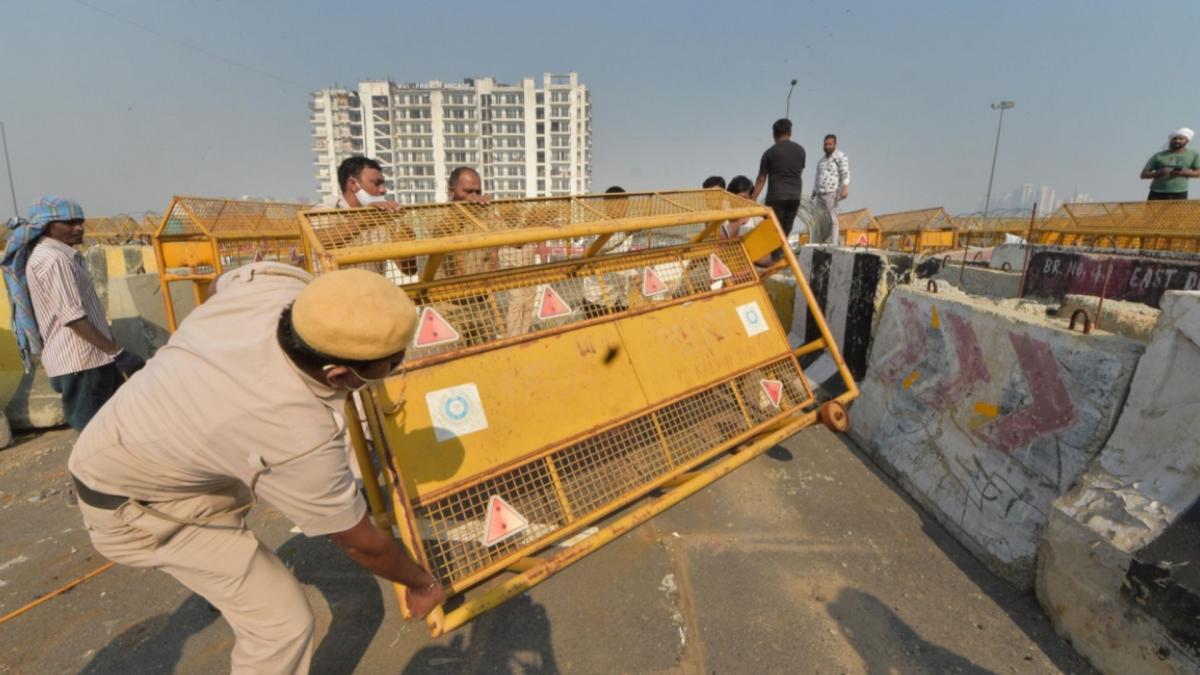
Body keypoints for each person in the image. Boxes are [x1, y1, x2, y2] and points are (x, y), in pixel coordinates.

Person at [68, 263, 446, 674]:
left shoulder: (273, 290)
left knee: (243, 479)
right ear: (338, 374)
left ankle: (223, 579)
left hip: (122, 442)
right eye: (391, 365)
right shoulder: (297, 433)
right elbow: (360, 543)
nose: (397, 368)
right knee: (282, 626)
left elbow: (219, 283)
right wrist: (421, 583)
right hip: (139, 509)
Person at [0, 197, 144, 431]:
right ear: (46, 226)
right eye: (68, 223)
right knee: (93, 433)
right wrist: (117, 352)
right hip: (81, 364)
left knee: (115, 427)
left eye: (80, 222)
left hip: (93, 359)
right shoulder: (53, 259)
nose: (79, 228)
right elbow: (72, 317)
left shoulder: (62, 255)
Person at [751, 119, 806, 258]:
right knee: (785, 231)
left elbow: (761, 179)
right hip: (795, 196)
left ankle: (771, 260)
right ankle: (778, 258)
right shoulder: (801, 150)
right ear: (790, 132)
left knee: (773, 230)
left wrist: (753, 198)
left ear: (774, 134)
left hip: (776, 197)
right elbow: (799, 172)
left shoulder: (769, 153)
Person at [812, 134, 851, 244]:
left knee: (832, 217)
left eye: (830, 144)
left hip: (832, 192)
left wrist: (845, 187)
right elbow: (817, 177)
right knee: (819, 219)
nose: (827, 146)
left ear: (835, 144)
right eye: (825, 144)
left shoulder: (840, 156)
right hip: (820, 193)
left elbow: (845, 172)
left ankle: (834, 243)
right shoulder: (821, 161)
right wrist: (814, 191)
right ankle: (819, 241)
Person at [322, 156, 402, 211]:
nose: (384, 190)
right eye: (376, 183)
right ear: (353, 184)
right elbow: (319, 230)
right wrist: (365, 217)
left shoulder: (381, 216)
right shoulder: (329, 209)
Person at [1141, 128, 1200, 200]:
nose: (1177, 141)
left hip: (1180, 192)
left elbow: (1198, 173)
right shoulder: (1159, 155)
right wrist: (1158, 173)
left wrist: (1183, 172)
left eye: (1181, 139)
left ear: (1187, 140)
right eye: (1174, 138)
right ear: (1170, 140)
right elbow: (1143, 174)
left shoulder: (1193, 155)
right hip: (1156, 192)